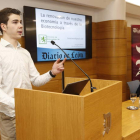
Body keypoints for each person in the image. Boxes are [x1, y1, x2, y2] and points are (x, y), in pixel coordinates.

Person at [0, 7, 66, 140]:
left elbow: (36, 80)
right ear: (3, 26)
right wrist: (17, 103)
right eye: (15, 22)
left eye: (20, 22)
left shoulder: (25, 53)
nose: (20, 25)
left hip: (29, 111)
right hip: (9, 115)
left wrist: (52, 73)